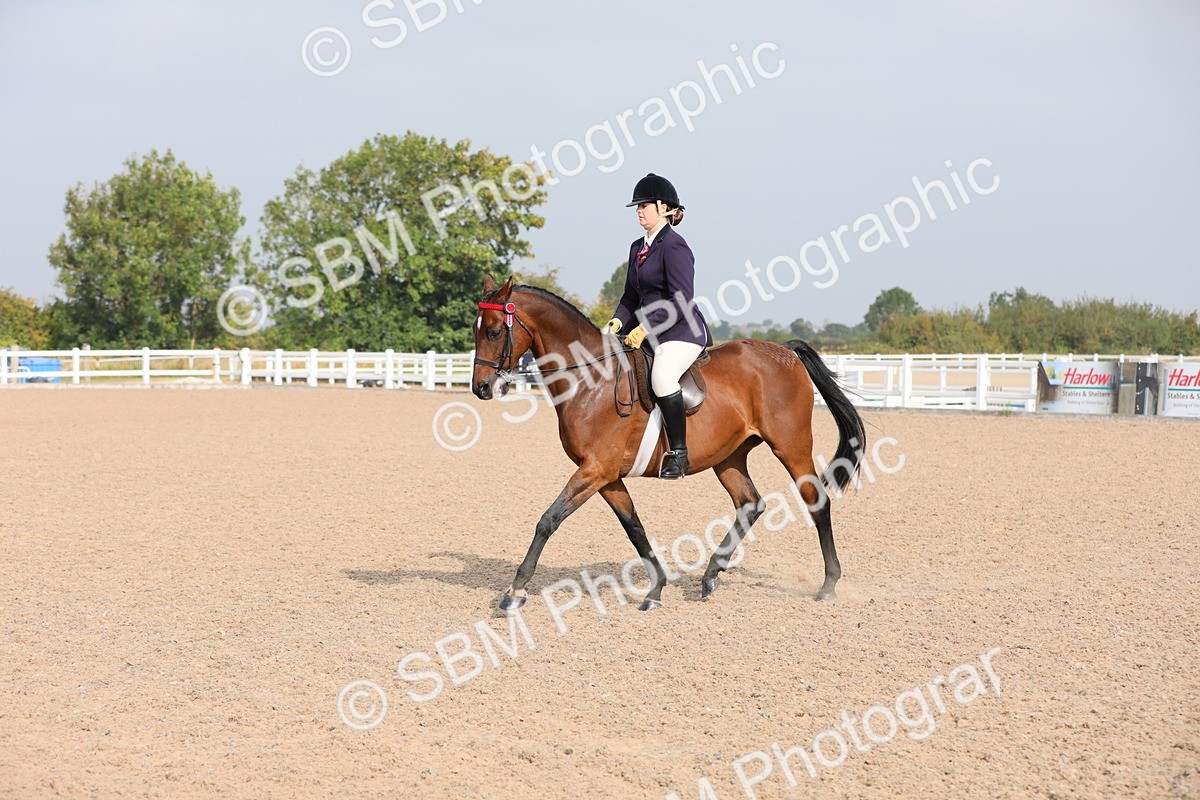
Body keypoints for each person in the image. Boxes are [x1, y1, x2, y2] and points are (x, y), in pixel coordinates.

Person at [604, 173, 712, 479]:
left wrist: (645, 327)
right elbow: (630, 296)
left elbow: (681, 300)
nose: (639, 210)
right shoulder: (637, 246)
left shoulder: (675, 246)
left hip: (680, 330)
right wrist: (617, 321)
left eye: (644, 205)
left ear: (664, 208)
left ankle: (678, 454)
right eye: (637, 206)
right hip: (644, 331)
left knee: (663, 377)